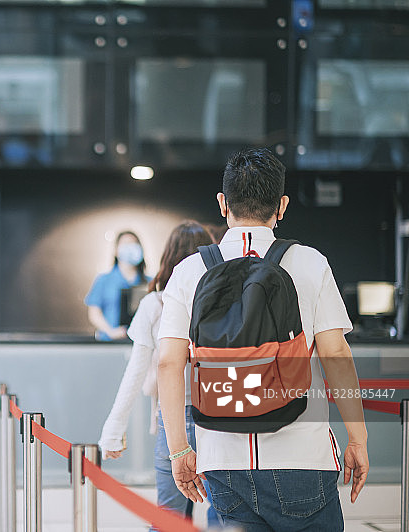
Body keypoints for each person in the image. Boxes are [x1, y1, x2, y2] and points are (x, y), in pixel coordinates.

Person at [158, 148, 369, 530]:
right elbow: (336, 353)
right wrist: (358, 437)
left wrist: (179, 450)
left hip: (221, 459)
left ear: (223, 204)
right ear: (282, 205)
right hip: (301, 455)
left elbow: (168, 363)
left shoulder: (189, 270)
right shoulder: (310, 263)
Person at [99, 221, 219, 530]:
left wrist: (114, 427)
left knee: (169, 519)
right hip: (224, 414)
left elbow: (137, 370)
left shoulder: (156, 303)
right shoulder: (225, 301)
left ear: (169, 258)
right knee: (225, 516)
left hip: (174, 418)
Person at [85, 230, 148, 340]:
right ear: (116, 250)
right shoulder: (104, 280)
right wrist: (111, 332)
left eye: (133, 244)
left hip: (140, 344)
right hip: (109, 344)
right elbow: (94, 312)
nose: (130, 248)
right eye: (125, 244)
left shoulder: (149, 282)